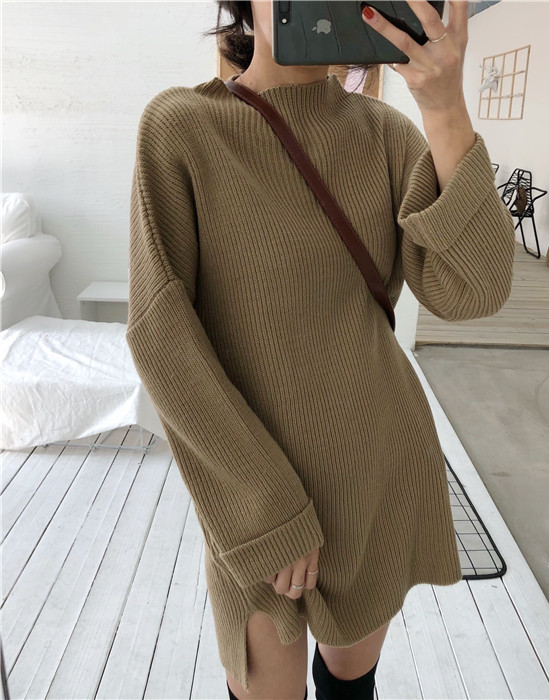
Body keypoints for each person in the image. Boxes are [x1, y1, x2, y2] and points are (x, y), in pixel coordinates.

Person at [126, 1, 515, 698]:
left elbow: (475, 290)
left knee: (348, 681)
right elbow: (162, 336)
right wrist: (265, 505)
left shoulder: (387, 135)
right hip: (253, 490)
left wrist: (445, 108)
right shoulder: (181, 127)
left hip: (377, 471)